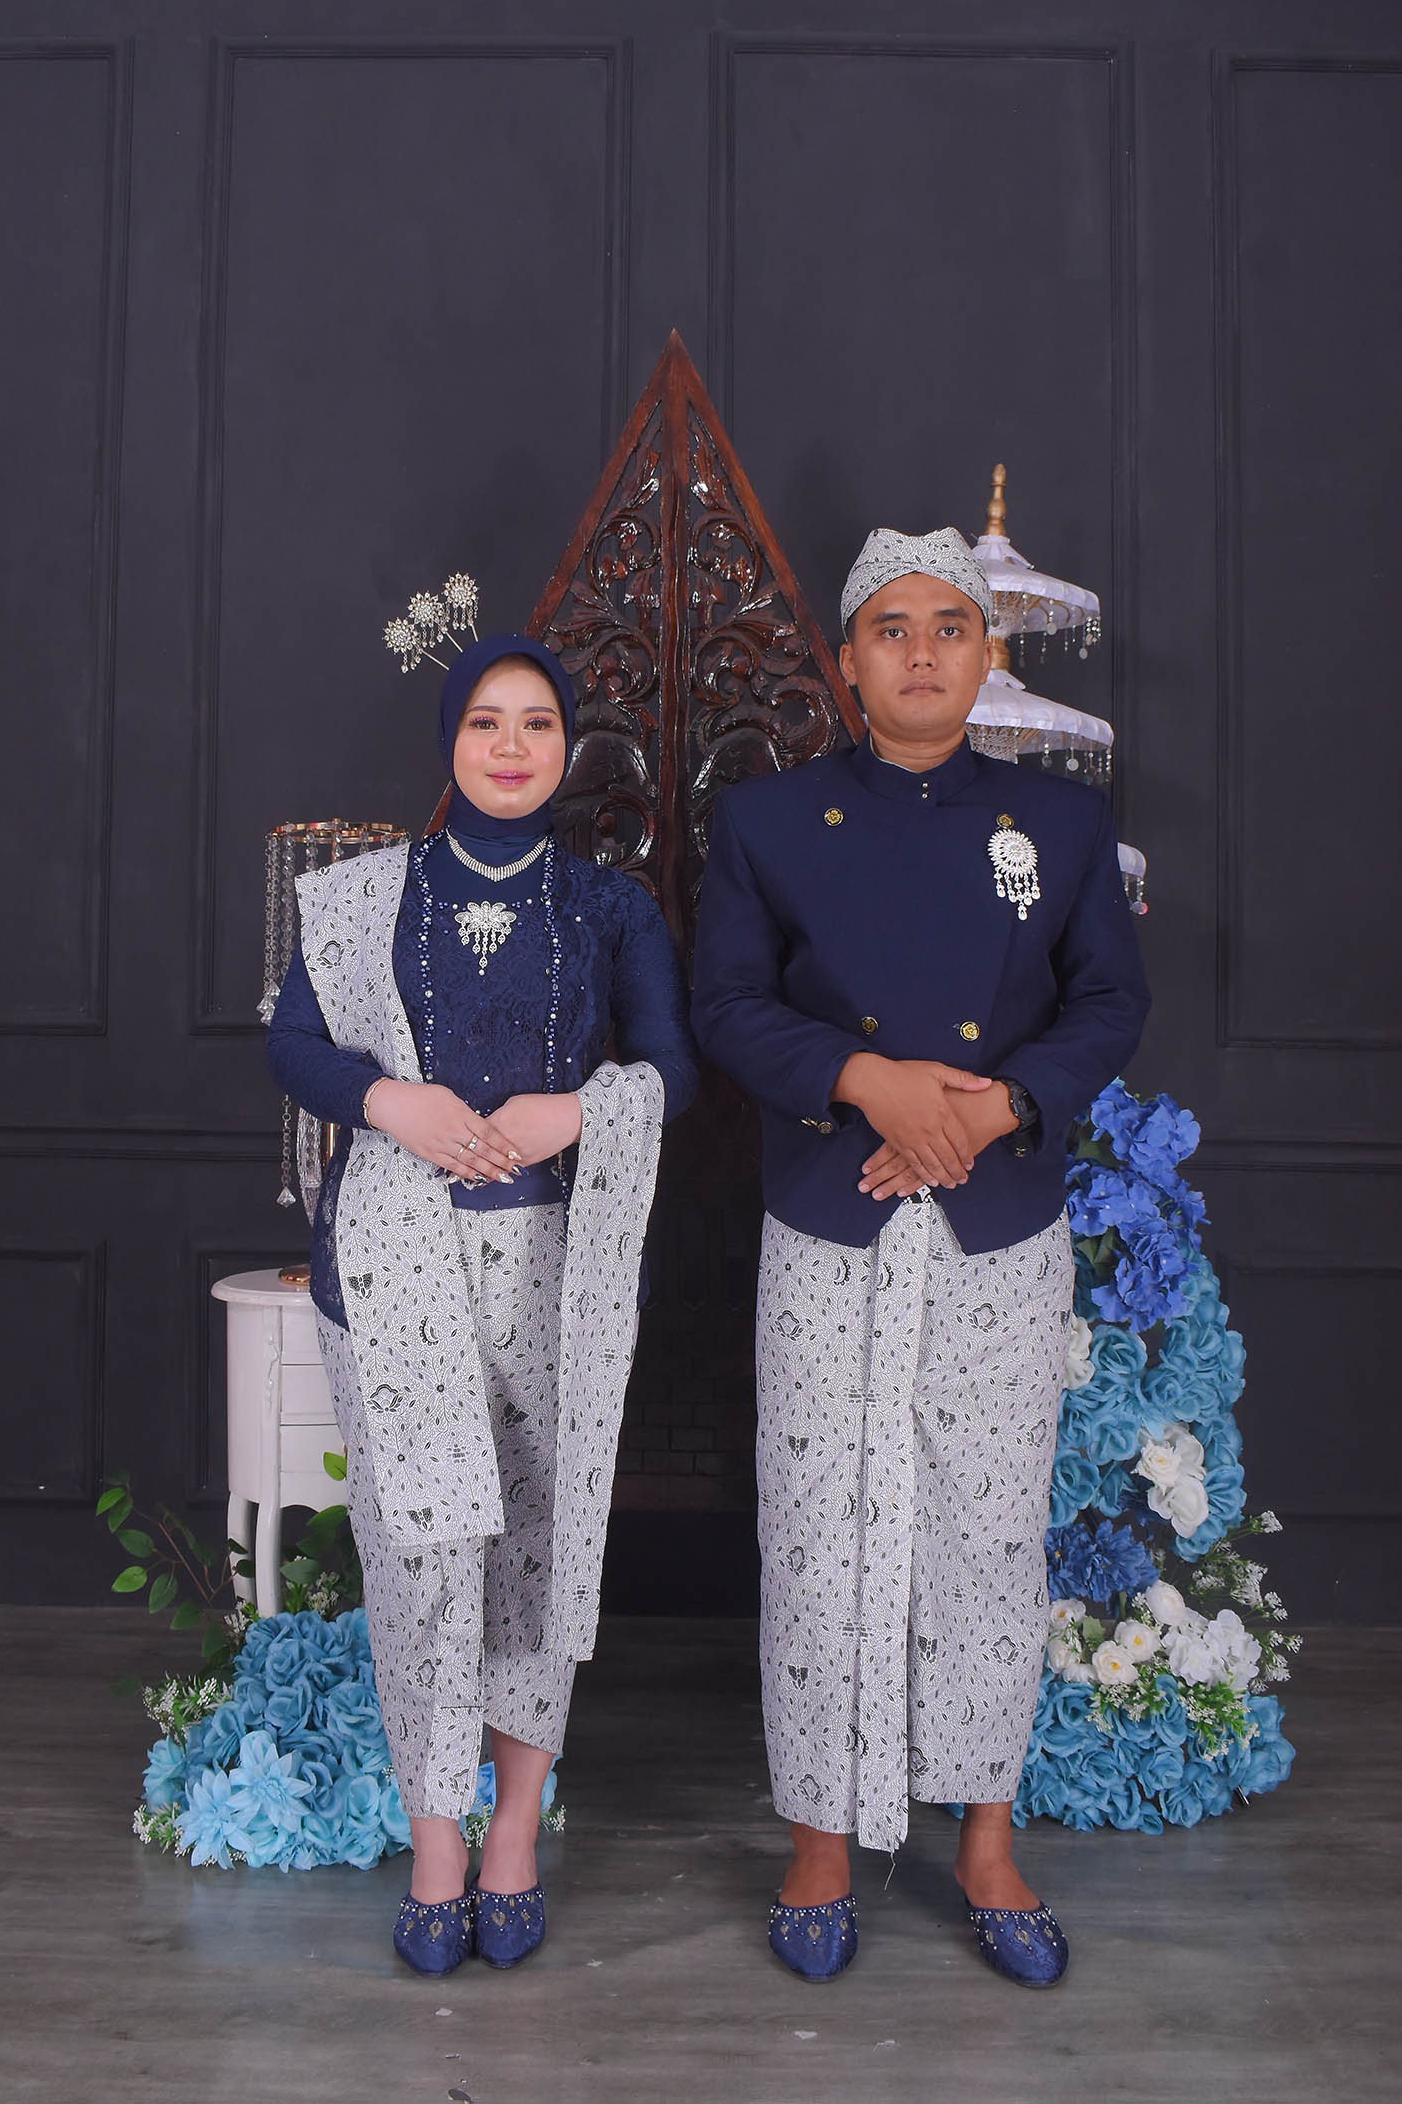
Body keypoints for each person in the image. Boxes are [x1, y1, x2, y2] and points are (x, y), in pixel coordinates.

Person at [691, 526, 1149, 1987]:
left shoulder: (1059, 823)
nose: (923, 652)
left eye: (950, 626)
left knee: (990, 1527)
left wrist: (992, 1108)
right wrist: (867, 1081)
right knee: (816, 1527)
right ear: (849, 662)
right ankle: (821, 1839)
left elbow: (1109, 1001)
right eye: (892, 629)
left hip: (997, 1218)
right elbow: (727, 1006)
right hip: (832, 1211)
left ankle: (987, 1840)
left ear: (985, 652)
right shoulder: (767, 821)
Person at [267, 634, 697, 1976]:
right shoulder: (365, 900)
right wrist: (385, 1099)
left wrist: (583, 1109)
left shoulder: (609, 908)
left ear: (567, 749)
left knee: (534, 1554)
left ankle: (513, 1832)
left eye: (537, 723)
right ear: (450, 743)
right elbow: (291, 1041)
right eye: (485, 723)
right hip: (395, 1258)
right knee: (421, 1559)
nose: (511, 746)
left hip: (554, 1266)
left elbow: (673, 1069)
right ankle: (435, 1841)